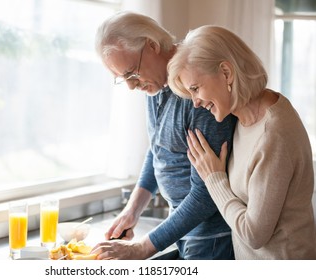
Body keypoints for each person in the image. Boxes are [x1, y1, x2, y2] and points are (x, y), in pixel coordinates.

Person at [91, 12, 237, 260]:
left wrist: (141, 248)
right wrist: (132, 210)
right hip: (182, 230)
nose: (131, 86)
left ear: (151, 45)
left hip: (211, 239)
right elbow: (159, 149)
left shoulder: (199, 92)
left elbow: (207, 194)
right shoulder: (157, 84)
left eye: (131, 73)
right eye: (122, 79)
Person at [167, 25, 316, 259]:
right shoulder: (241, 118)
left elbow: (254, 234)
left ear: (226, 73)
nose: (195, 102)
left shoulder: (273, 134)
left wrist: (214, 179)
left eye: (196, 89)